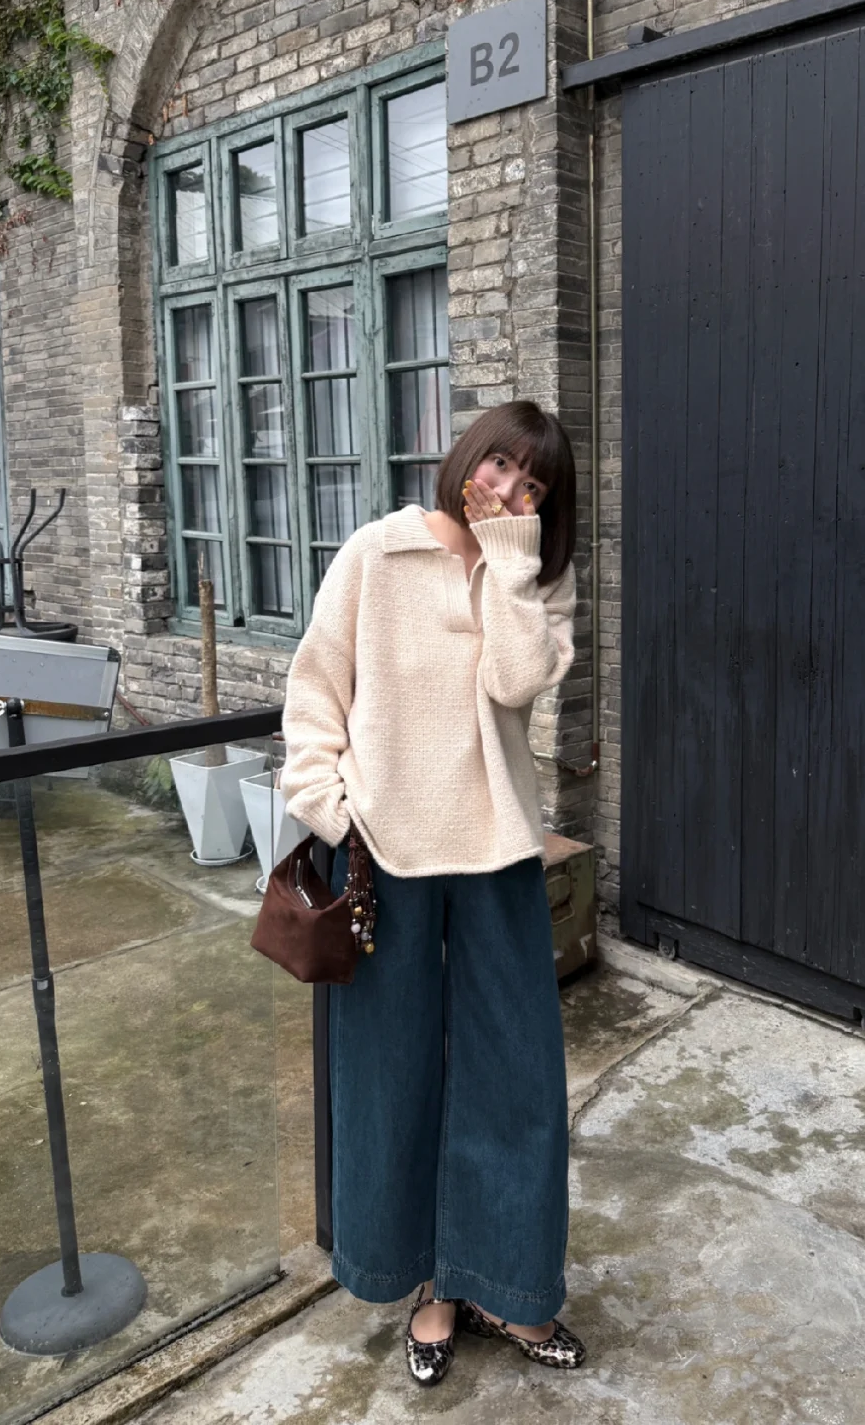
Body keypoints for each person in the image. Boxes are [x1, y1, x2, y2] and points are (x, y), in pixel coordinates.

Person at [280, 399, 587, 1387]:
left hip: (498, 854)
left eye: (533, 486)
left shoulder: (537, 576)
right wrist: (328, 805)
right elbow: (316, 685)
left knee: (518, 1078)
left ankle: (511, 1283)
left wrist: (511, 561)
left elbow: (514, 682)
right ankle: (429, 1285)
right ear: (468, 455)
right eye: (500, 466)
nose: (508, 491)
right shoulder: (378, 553)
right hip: (385, 856)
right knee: (392, 1075)